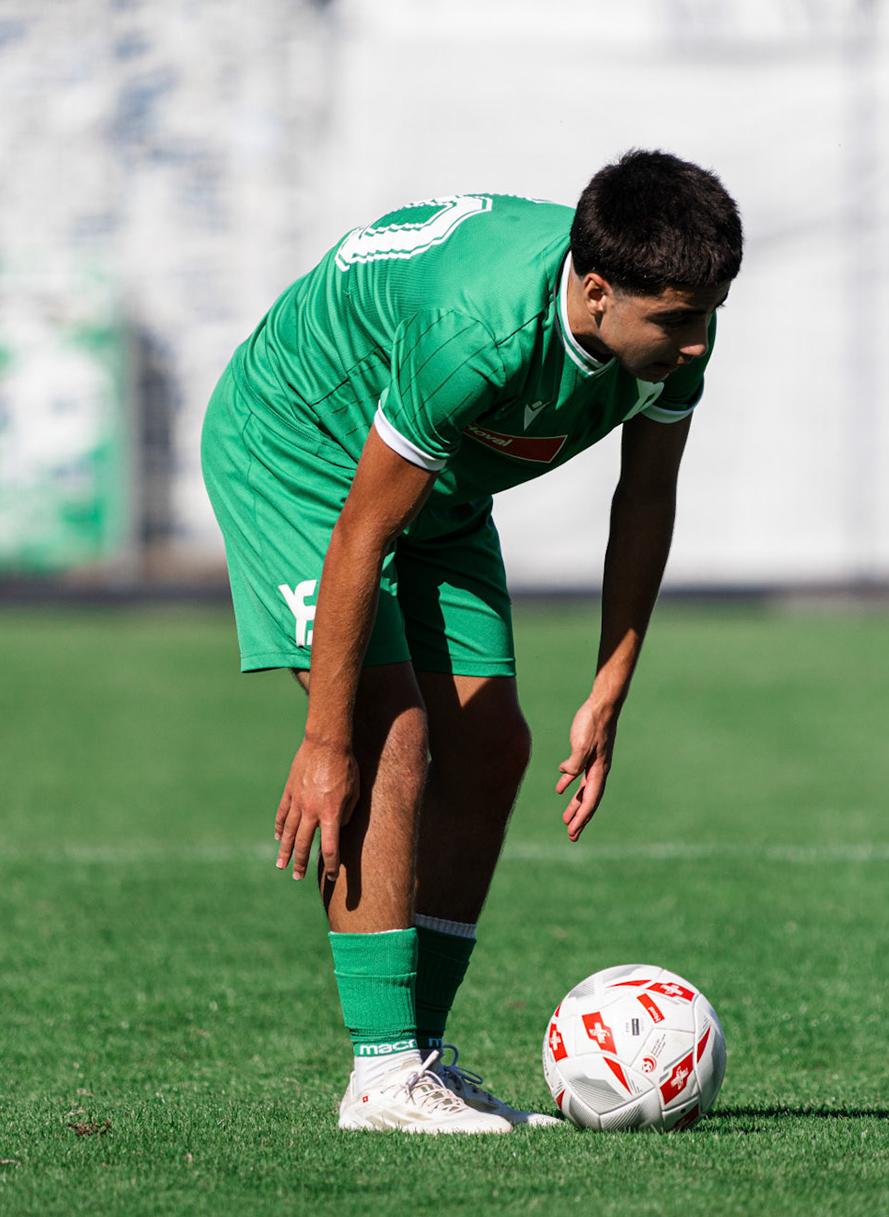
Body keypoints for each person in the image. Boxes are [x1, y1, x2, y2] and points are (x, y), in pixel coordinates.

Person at [200, 150, 741, 1133]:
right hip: (303, 448)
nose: (697, 343)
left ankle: (424, 1063)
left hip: (439, 479)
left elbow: (646, 496)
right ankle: (379, 1077)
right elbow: (362, 530)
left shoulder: (669, 335)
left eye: (709, 313)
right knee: (395, 732)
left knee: (495, 745)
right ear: (593, 290)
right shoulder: (477, 334)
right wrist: (328, 742)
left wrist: (608, 690)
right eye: (675, 320)